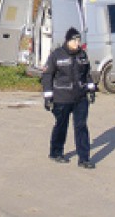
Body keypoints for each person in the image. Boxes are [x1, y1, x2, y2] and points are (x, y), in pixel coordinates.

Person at [41, 27, 97, 169]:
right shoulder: (56, 55)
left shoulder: (82, 55)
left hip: (80, 97)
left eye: (79, 40)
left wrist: (91, 89)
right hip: (62, 98)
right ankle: (55, 153)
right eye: (75, 40)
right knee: (61, 125)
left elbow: (87, 74)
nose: (77, 43)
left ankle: (84, 158)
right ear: (68, 40)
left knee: (81, 127)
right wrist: (48, 96)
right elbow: (47, 76)